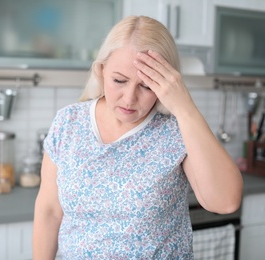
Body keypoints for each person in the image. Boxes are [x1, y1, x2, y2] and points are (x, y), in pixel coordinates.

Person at [33, 15, 243, 259]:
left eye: (146, 86)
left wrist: (184, 107)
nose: (129, 98)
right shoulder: (68, 123)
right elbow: (49, 212)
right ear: (101, 71)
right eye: (119, 80)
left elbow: (225, 201)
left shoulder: (177, 130)